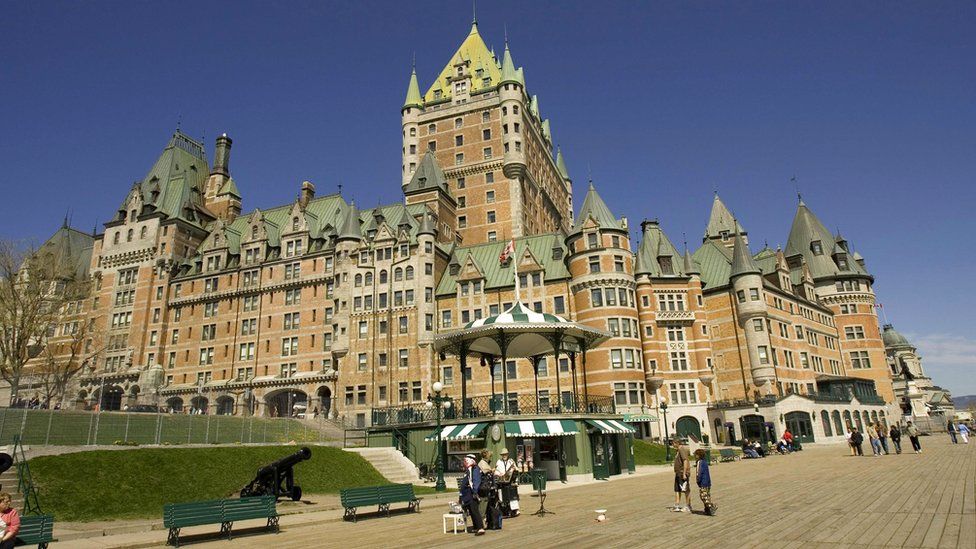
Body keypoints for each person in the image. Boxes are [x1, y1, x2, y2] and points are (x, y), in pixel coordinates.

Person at [459, 454, 485, 536]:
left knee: (474, 510)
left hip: (472, 493)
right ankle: (476, 526)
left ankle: (480, 527)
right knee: (471, 510)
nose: (465, 462)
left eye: (466, 460)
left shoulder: (475, 469)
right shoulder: (468, 470)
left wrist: (474, 491)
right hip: (467, 493)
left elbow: (476, 481)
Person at [494, 448, 519, 517]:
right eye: (503, 455)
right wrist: (499, 474)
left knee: (512, 496)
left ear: (507, 454)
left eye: (505, 454)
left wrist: (514, 469)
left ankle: (515, 510)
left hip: (510, 482)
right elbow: (496, 471)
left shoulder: (511, 461)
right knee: (502, 497)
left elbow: (517, 470)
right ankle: (505, 511)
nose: (504, 456)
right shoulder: (498, 461)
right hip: (502, 482)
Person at [670, 438, 692, 512]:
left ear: (677, 443)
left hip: (682, 472)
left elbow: (685, 460)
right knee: (677, 489)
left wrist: (684, 473)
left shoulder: (681, 449)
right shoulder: (677, 451)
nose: (672, 445)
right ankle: (677, 504)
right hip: (678, 473)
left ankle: (688, 505)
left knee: (685, 489)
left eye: (673, 443)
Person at [693, 449, 717, 516]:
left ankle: (711, 506)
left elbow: (699, 472)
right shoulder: (705, 462)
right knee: (707, 495)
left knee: (703, 496)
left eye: (696, 454)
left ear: (698, 455)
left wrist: (698, 480)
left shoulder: (699, 462)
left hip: (703, 482)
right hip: (708, 482)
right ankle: (707, 510)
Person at [477, 450, 493, 526]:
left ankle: (486, 519)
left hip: (486, 486)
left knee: (486, 501)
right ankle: (481, 520)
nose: (490, 458)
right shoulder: (482, 463)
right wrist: (491, 470)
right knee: (483, 501)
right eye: (489, 456)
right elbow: (484, 471)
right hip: (483, 487)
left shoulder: (485, 462)